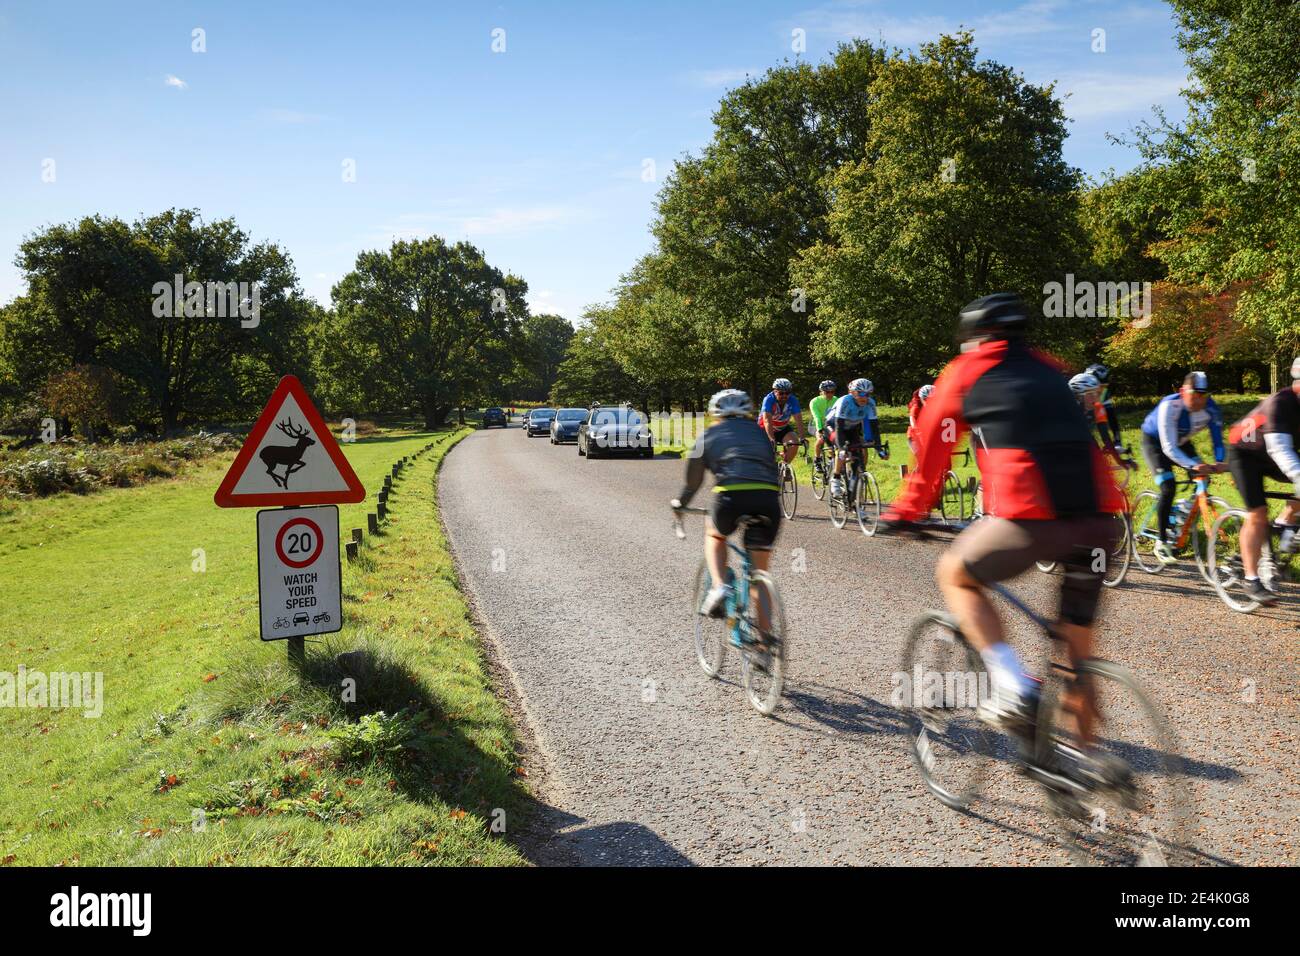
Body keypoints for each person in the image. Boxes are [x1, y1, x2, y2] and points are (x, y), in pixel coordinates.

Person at [882, 293, 1127, 787]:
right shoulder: (1051, 371)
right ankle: (1092, 765)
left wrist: (908, 512)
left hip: (1030, 516)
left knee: (956, 573)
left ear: (972, 336)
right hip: (1101, 520)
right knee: (1076, 651)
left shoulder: (967, 370)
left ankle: (1014, 687)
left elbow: (933, 448)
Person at [671, 389, 782, 620]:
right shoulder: (760, 433)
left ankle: (719, 586)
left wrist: (680, 504)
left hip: (731, 498)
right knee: (759, 574)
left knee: (714, 534)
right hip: (768, 500)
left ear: (715, 414)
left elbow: (693, 482)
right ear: (747, 412)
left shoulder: (708, 435)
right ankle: (764, 647)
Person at [1225, 357, 1300, 605]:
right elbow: (1281, 451)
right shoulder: (1281, 403)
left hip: (1271, 454)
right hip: (1245, 454)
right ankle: (1252, 579)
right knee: (1257, 513)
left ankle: (1281, 524)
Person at [1138, 371, 1227, 563]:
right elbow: (1168, 448)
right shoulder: (1169, 405)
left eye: (1203, 395)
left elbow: (1218, 441)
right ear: (1182, 391)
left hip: (1181, 441)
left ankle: (1182, 512)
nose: (1198, 400)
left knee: (1204, 478)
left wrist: (1220, 462)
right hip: (1155, 442)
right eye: (1194, 394)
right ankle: (1161, 542)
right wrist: (1195, 465)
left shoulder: (1211, 409)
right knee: (1168, 488)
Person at [826, 377, 885, 499]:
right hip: (834, 426)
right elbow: (839, 427)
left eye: (868, 394)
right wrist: (842, 448)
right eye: (861, 393)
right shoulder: (845, 401)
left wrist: (879, 448)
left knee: (856, 465)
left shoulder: (870, 403)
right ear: (852, 393)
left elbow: (875, 427)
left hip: (852, 429)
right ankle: (836, 478)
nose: (864, 397)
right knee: (841, 451)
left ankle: (854, 505)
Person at [1069, 372, 1131, 468]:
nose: (1096, 398)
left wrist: (1120, 461)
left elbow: (1105, 437)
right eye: (1091, 394)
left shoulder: (1097, 407)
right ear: (1078, 396)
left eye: (1097, 393)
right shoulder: (1067, 410)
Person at [758, 377, 804, 465]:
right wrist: (772, 439)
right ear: (775, 391)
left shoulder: (793, 400)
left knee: (794, 443)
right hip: (765, 428)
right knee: (767, 453)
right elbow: (767, 420)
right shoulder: (769, 399)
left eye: (787, 393)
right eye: (781, 393)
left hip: (782, 428)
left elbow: (798, 419)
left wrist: (802, 437)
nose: (784, 396)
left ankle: (785, 467)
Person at [1085, 363, 1124, 453]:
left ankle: (1116, 442)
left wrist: (1117, 442)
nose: (1101, 390)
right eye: (1099, 386)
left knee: (1110, 414)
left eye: (1104, 386)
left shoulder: (1104, 392)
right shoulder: (1083, 386)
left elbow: (1110, 418)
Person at [808, 380, 837, 476]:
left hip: (829, 425)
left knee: (833, 443)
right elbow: (816, 417)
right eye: (827, 392)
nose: (830, 394)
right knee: (821, 439)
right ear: (821, 392)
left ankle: (830, 461)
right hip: (815, 424)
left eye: (832, 392)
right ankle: (817, 459)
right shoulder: (814, 401)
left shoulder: (836, 400)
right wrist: (820, 430)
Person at [907, 383, 935, 455]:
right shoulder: (916, 408)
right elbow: (914, 426)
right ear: (922, 398)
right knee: (923, 459)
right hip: (914, 437)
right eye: (927, 400)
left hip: (927, 436)